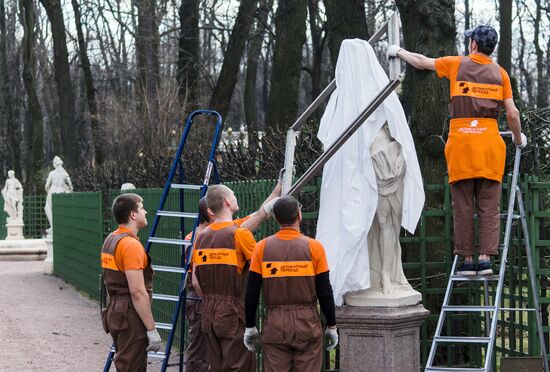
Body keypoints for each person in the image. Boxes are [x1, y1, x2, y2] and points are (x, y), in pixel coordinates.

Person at [388, 24, 526, 276]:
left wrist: (398, 51)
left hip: (461, 144)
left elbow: (421, 62)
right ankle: (485, 259)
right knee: (488, 206)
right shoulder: (501, 74)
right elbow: (513, 113)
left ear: (473, 44)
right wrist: (517, 138)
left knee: (462, 205)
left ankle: (468, 259)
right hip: (490, 147)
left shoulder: (457, 64)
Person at [191, 182, 281, 371]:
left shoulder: (200, 237)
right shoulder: (240, 234)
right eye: (233, 195)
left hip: (208, 310)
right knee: (239, 365)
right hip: (233, 311)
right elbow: (262, 272)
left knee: (217, 366)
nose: (235, 197)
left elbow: (195, 281)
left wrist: (211, 301)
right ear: (227, 201)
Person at [243, 196, 338, 372]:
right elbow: (325, 291)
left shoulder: (261, 248)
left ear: (276, 219)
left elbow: (252, 292)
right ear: (299, 216)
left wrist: (250, 325)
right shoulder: (315, 247)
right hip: (307, 323)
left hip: (275, 325)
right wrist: (331, 325)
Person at [101, 193, 161, 371]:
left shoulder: (110, 240)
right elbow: (137, 291)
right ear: (133, 215)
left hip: (115, 310)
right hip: (129, 313)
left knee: (125, 363)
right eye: (142, 208)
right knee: (132, 366)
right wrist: (151, 329)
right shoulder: (131, 245)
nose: (146, 212)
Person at [44, 156, 73, 233]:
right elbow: (71, 187)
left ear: (54, 164)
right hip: (61, 193)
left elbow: (47, 186)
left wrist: (48, 192)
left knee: (47, 209)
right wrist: (66, 189)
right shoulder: (65, 174)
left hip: (52, 192)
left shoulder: (52, 173)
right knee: (59, 211)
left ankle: (53, 226)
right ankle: (58, 227)